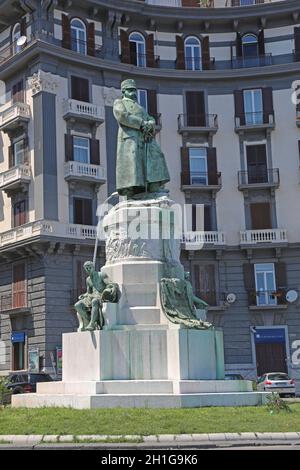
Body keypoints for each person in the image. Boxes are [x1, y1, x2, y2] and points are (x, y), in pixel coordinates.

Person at [113, 79, 170, 198]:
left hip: (144, 140)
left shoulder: (140, 107)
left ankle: (153, 186)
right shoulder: (119, 103)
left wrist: (150, 123)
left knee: (156, 157)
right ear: (123, 91)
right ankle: (130, 190)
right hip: (130, 139)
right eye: (130, 90)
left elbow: (150, 118)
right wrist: (142, 123)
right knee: (132, 166)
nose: (133, 92)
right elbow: (123, 116)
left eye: (134, 90)